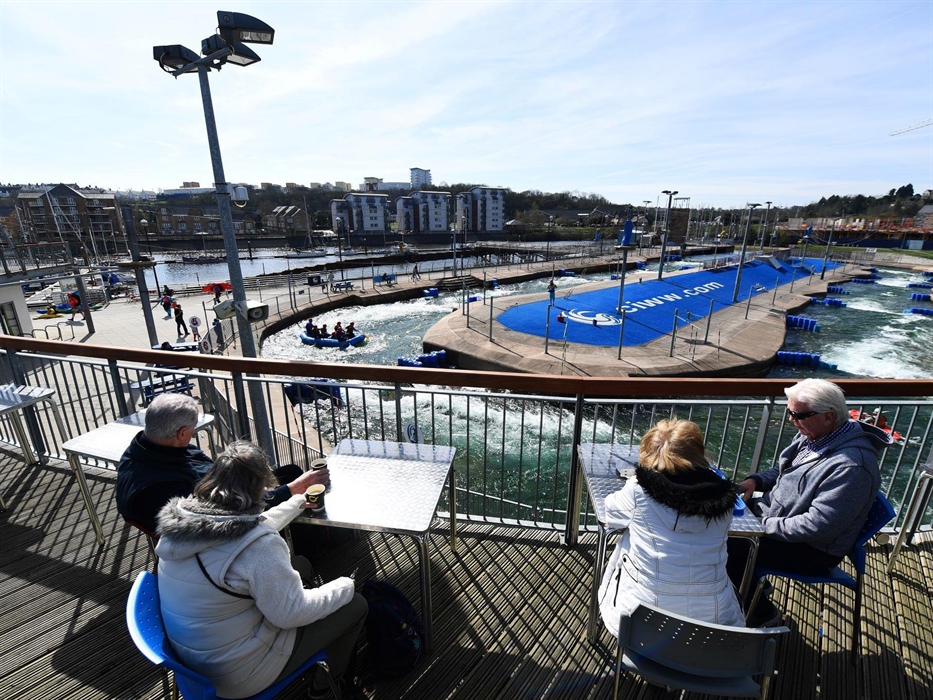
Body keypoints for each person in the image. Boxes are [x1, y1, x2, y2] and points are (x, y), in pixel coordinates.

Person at [155, 441, 367, 699]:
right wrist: (345, 586)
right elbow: (289, 614)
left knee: (300, 565)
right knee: (355, 605)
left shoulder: (184, 525)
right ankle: (325, 687)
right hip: (240, 673)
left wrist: (298, 502)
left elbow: (245, 529)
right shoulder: (260, 547)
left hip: (192, 660)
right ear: (259, 488)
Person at [730, 378, 892, 626]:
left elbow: (817, 527)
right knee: (716, 519)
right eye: (790, 412)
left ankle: (763, 615)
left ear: (828, 416)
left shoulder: (852, 466)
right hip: (777, 521)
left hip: (812, 550)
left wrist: (759, 526)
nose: (792, 420)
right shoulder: (816, 435)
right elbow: (787, 470)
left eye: (799, 415)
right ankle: (749, 589)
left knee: (726, 547)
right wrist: (756, 481)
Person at [598, 419, 743, 639]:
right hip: (713, 622)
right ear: (699, 453)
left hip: (645, 617)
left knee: (628, 540)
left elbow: (610, 514)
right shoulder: (725, 497)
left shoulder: (638, 490)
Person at [116, 394, 329, 533]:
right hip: (221, 531)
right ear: (182, 433)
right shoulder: (161, 488)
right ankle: (313, 545)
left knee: (290, 471)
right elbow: (228, 514)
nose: (193, 435)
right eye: (191, 430)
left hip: (222, 498)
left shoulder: (143, 450)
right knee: (296, 484)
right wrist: (290, 491)